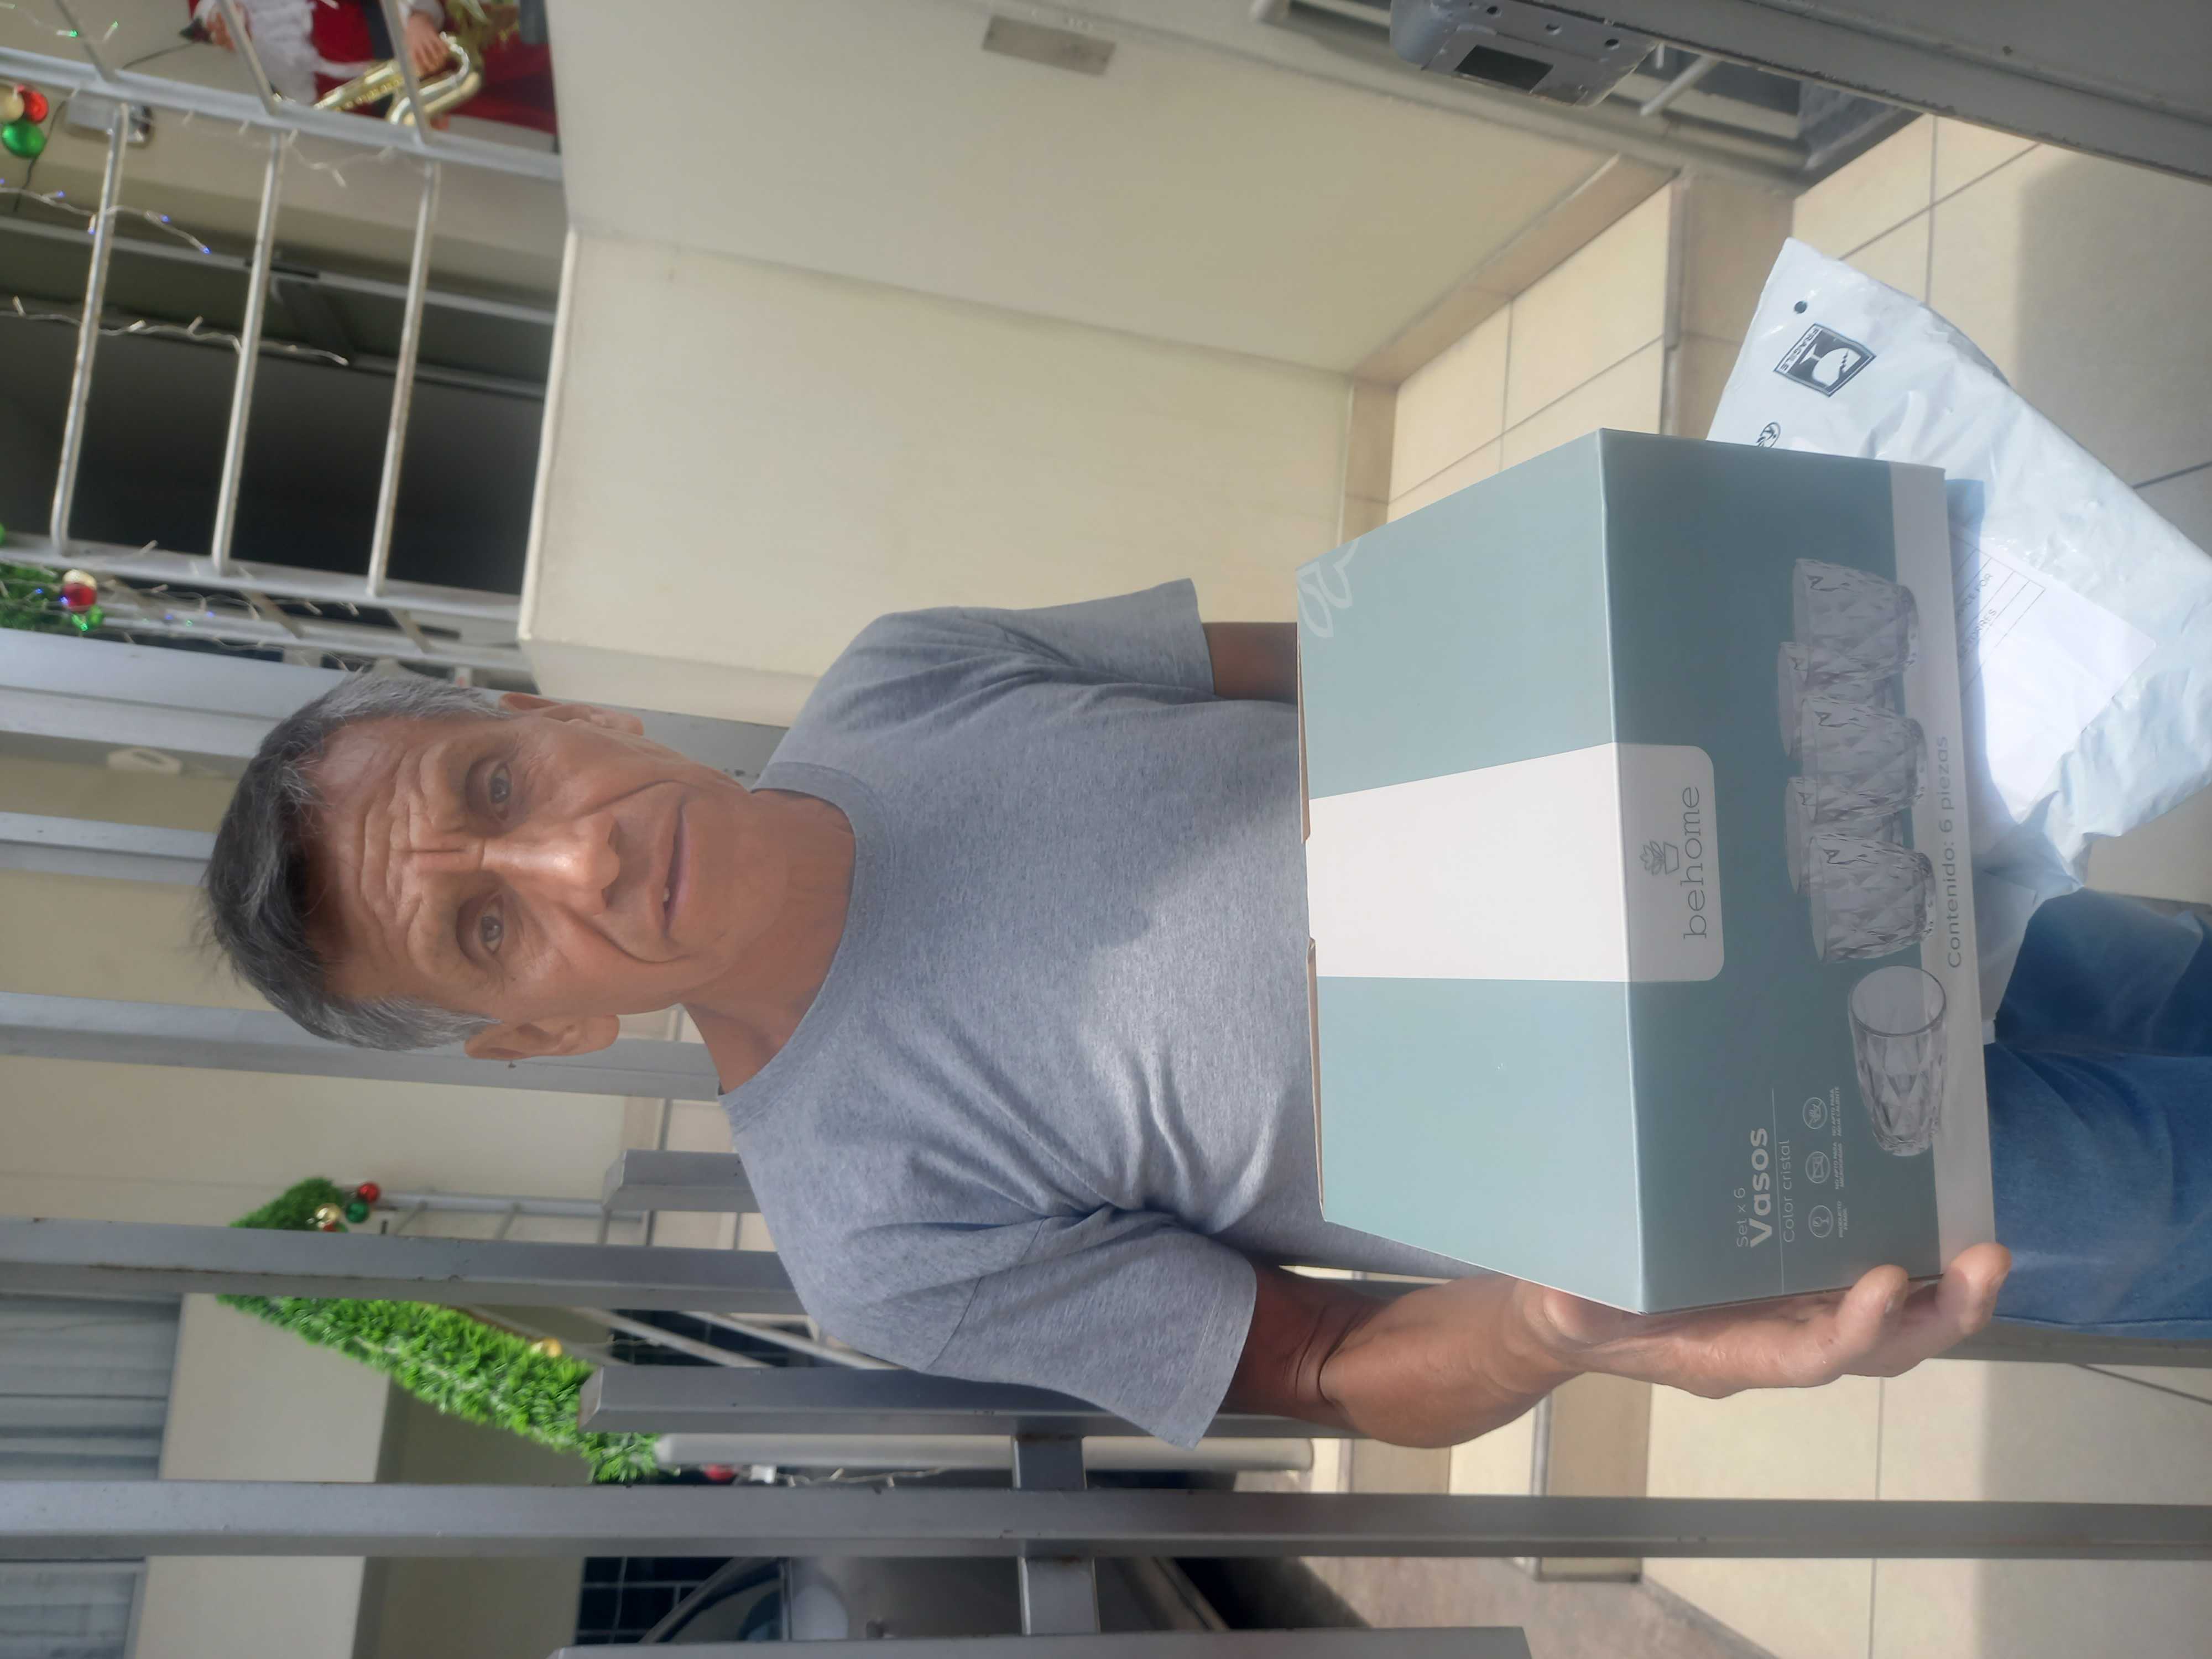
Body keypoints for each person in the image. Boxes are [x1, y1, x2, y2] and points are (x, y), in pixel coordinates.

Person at [200, 586, 2211, 1448]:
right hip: (1773, 1162)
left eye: (495, 785)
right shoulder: (873, 1233)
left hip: (1806, 872)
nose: (571, 859)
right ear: (534, 1039)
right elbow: (1331, 1369)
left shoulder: (913, 673)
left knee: (2166, 981)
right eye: (486, 933)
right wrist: (1562, 1322)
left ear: (558, 715)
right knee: (2171, 1196)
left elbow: (1356, 659)